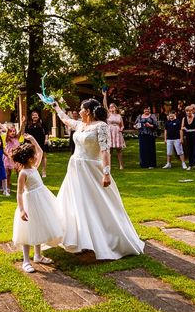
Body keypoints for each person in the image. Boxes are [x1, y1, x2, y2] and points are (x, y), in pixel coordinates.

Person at [53, 98, 144, 260]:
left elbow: (105, 151)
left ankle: (106, 238)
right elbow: (66, 120)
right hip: (75, 170)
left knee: (97, 203)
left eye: (81, 109)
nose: (79, 111)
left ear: (87, 111)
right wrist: (57, 107)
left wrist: (107, 172)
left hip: (92, 170)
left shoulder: (101, 126)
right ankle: (80, 240)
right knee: (76, 203)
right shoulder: (80, 125)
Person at [12, 134, 64, 273]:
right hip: (31, 203)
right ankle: (26, 261)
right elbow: (19, 192)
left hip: (42, 200)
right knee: (28, 231)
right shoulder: (23, 173)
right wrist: (22, 210)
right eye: (33, 154)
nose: (37, 155)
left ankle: (38, 255)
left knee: (39, 226)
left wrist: (33, 139)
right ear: (29, 158)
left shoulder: (34, 166)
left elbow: (40, 151)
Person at [21, 110, 49, 178]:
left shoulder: (42, 123)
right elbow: (24, 133)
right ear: (31, 116)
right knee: (31, 156)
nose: (35, 116)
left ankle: (43, 171)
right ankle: (33, 170)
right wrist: (23, 123)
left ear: (38, 116)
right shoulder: (28, 123)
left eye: (36, 115)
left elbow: (46, 132)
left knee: (43, 156)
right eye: (33, 115)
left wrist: (46, 139)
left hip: (41, 141)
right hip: (31, 143)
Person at [103, 89, 126, 170]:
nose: (111, 107)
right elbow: (105, 105)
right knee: (110, 150)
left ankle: (121, 165)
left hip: (117, 132)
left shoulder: (119, 116)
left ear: (115, 108)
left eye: (112, 106)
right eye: (110, 107)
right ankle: (108, 165)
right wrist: (104, 95)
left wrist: (121, 129)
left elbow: (122, 125)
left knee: (119, 149)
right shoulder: (108, 114)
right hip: (110, 132)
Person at [181, 105, 195, 171]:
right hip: (188, 135)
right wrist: (184, 128)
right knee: (189, 150)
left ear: (192, 111)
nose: (188, 112)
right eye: (187, 111)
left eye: (190, 111)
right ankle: (190, 165)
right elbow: (182, 127)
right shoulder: (184, 118)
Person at [3, 124, 20, 192]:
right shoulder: (8, 139)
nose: (13, 132)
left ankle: (20, 185)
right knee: (8, 173)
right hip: (9, 157)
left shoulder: (16, 138)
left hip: (16, 157)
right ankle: (7, 186)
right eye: (11, 131)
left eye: (14, 131)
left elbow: (21, 131)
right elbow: (6, 131)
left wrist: (22, 124)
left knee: (18, 172)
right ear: (8, 133)